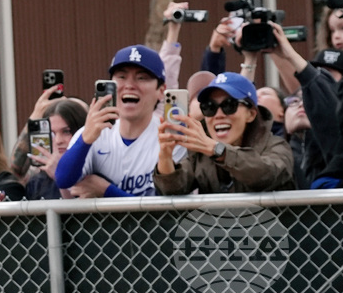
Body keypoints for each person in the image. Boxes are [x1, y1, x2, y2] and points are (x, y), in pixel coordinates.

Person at [55, 45, 185, 197]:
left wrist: (106, 191)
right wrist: (85, 141)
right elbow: (64, 180)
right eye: (122, 77)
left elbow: (162, 215)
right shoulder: (92, 134)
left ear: (161, 91)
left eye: (141, 78)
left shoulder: (171, 137)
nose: (129, 86)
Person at [154, 73, 294, 194]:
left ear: (251, 114)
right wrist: (165, 156)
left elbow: (266, 174)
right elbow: (173, 188)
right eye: (209, 107)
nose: (218, 115)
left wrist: (217, 150)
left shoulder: (277, 146)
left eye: (229, 105)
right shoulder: (200, 153)